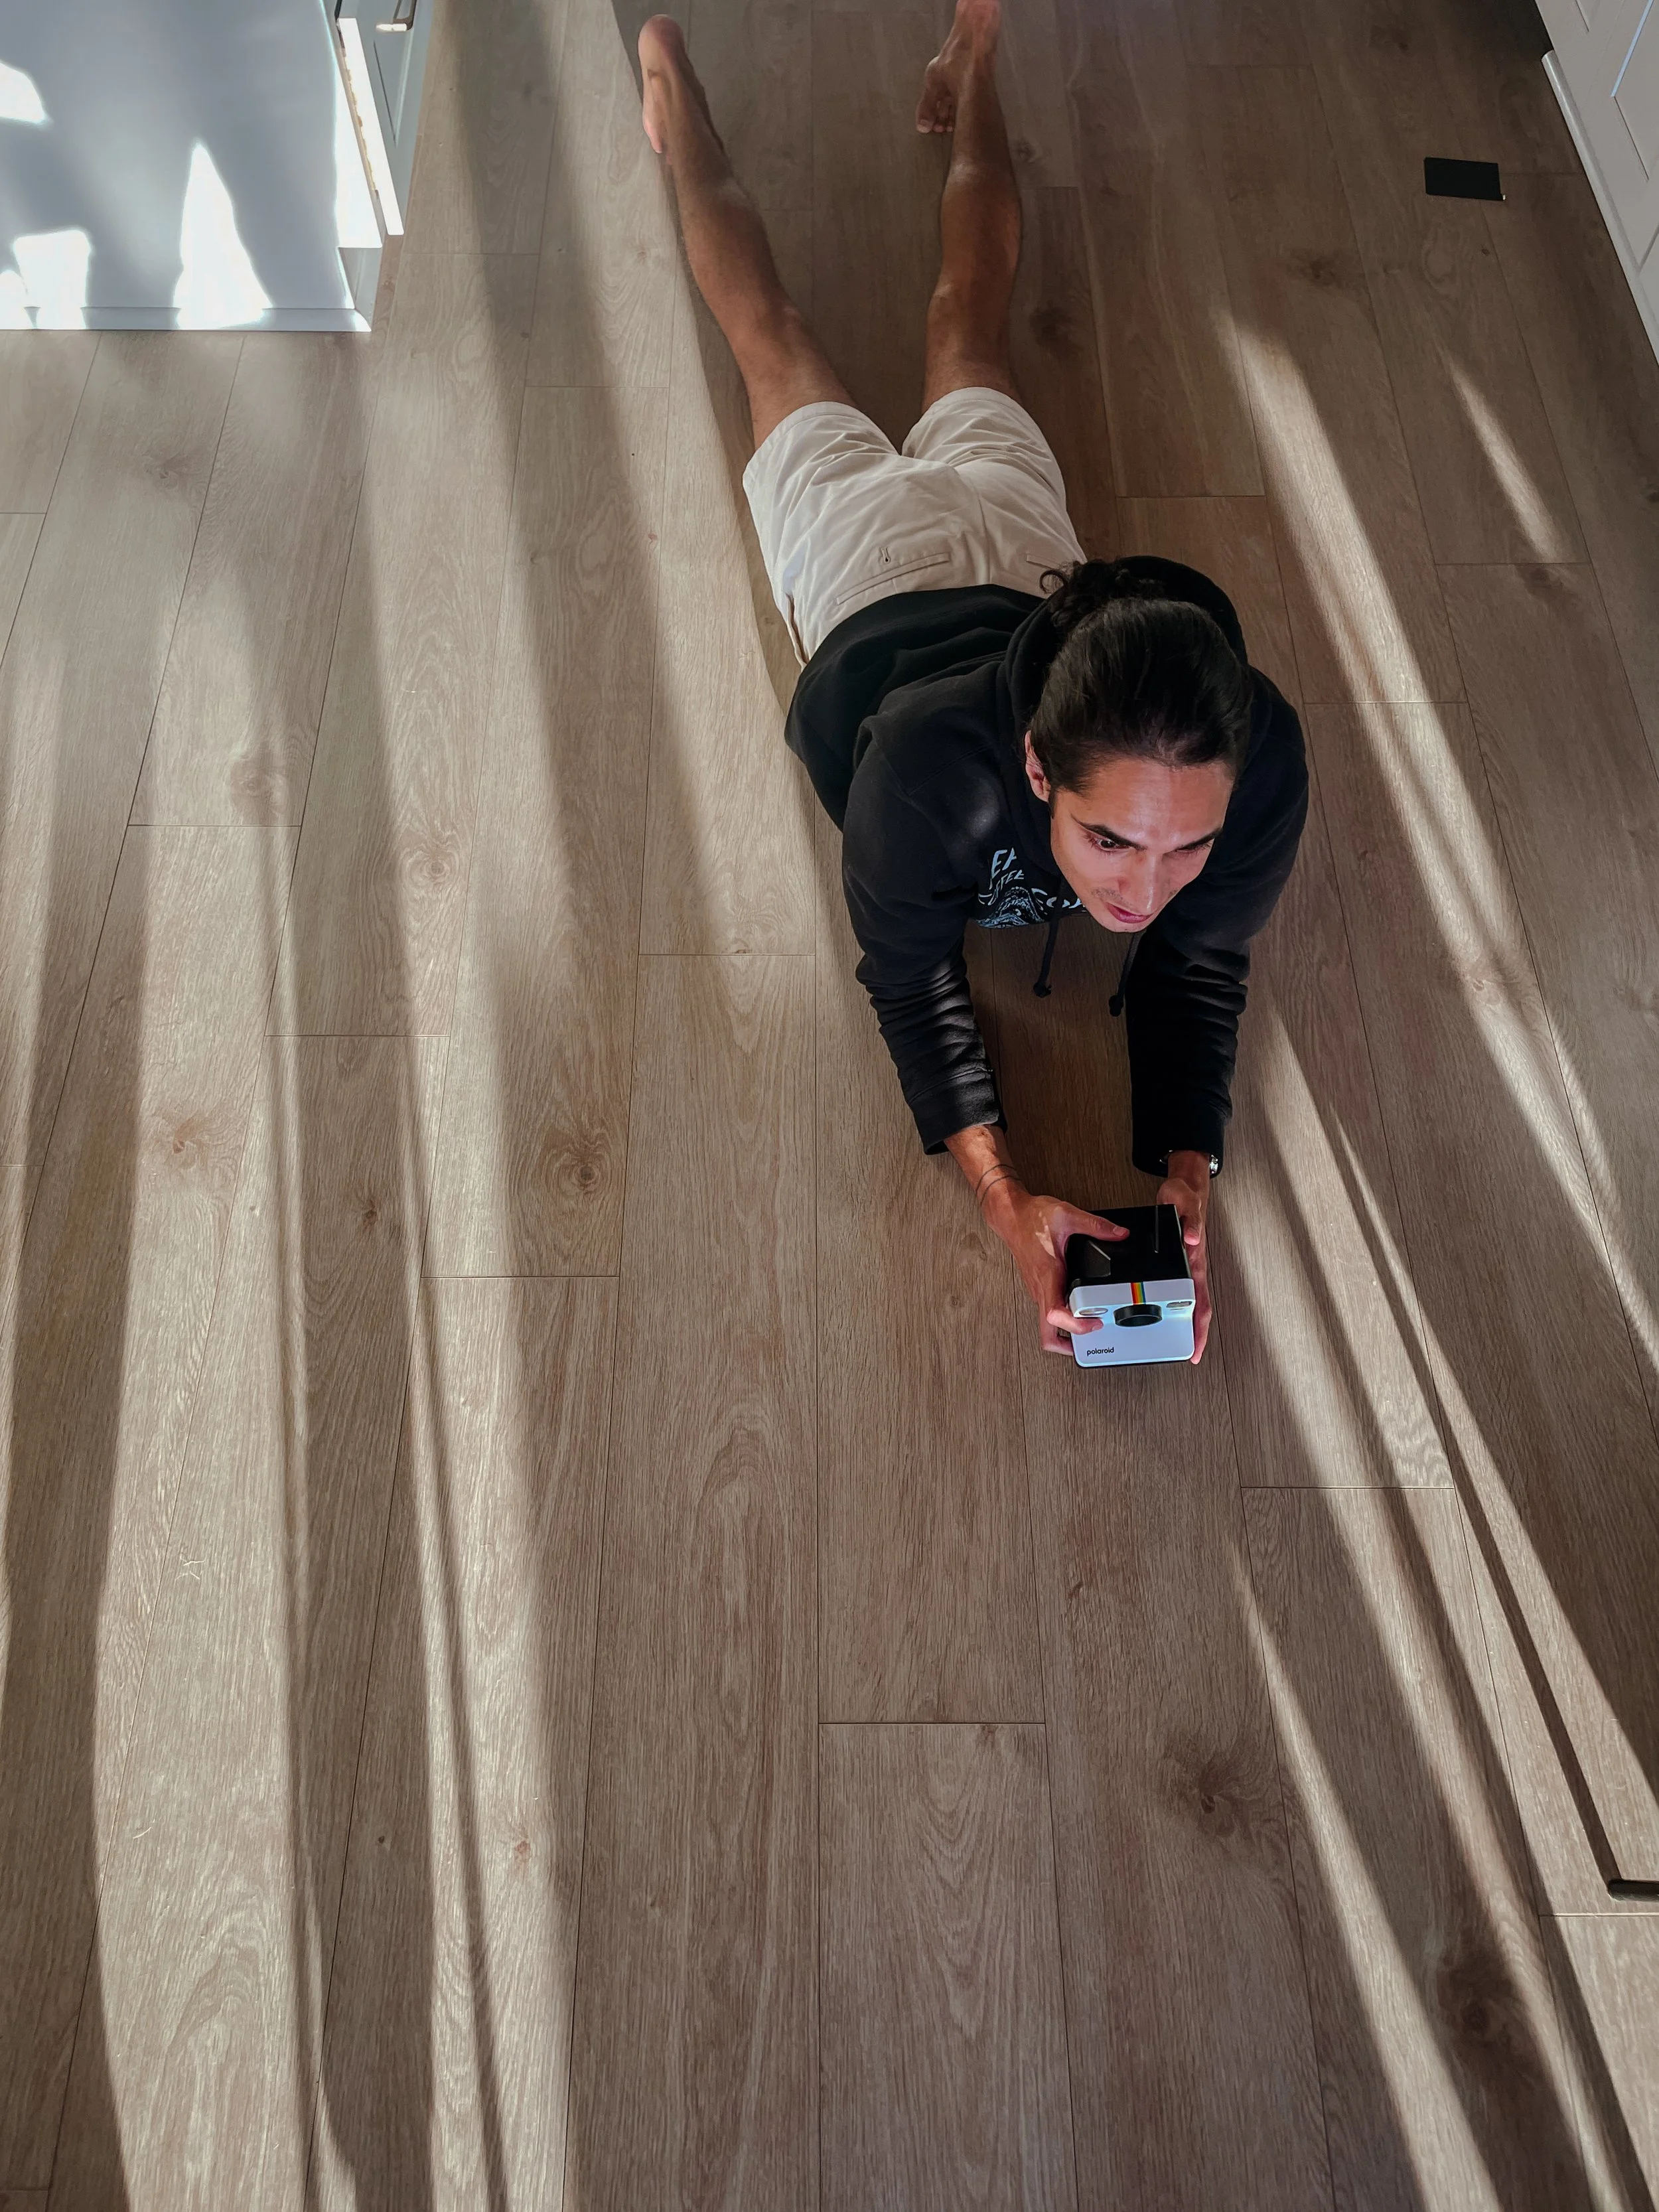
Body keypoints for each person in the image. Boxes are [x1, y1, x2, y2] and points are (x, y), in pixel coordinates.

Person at [637, 0, 1307, 1361]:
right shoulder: (923, 780)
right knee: (772, 333)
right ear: (1036, 769)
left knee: (966, 320)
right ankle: (668, 73)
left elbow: (1201, 959)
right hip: (868, 570)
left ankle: (978, 50)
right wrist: (1007, 1205)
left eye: (1186, 845)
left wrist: (1188, 1177)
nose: (1147, 890)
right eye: (1111, 840)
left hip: (1025, 563)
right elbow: (910, 979)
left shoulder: (1257, 753)